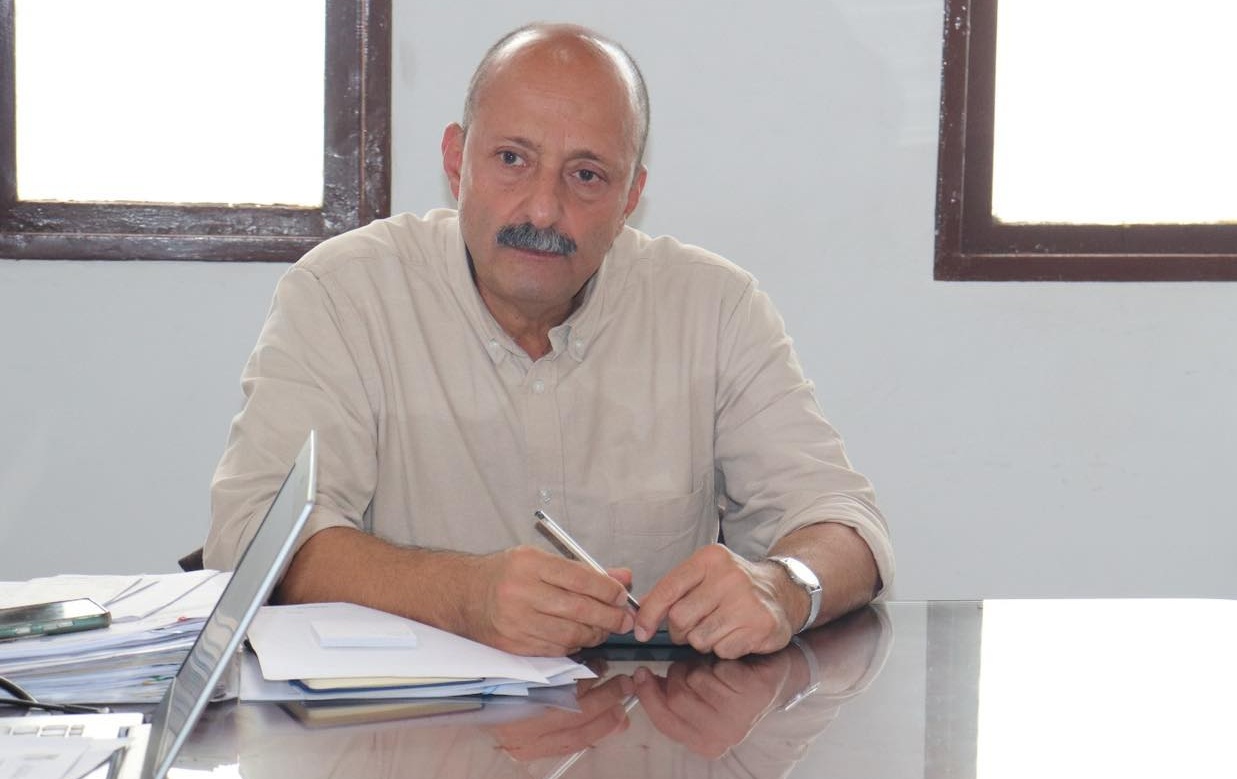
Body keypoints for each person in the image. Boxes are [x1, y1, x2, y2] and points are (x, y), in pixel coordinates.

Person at [204, 22, 893, 660]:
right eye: (512, 159)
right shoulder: (343, 293)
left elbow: (845, 524)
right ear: (456, 162)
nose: (542, 209)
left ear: (630, 197)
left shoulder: (715, 308)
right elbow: (253, 537)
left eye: (586, 175)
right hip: (402, 723)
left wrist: (784, 586)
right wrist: (462, 595)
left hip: (645, 724)